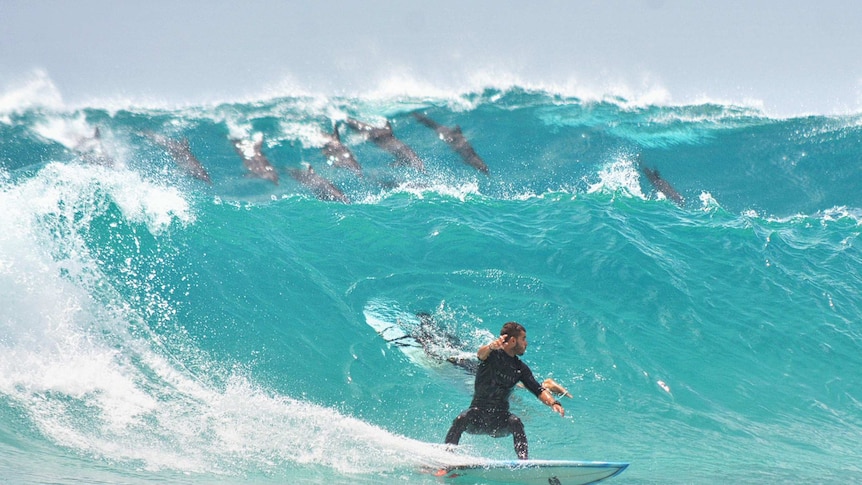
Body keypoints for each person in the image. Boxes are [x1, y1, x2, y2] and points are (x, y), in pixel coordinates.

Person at [444, 322, 565, 460]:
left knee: (515, 422)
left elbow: (537, 389)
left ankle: (523, 462)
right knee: (461, 419)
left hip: (499, 421)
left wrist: (554, 403)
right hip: (477, 416)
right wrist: (490, 347)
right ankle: (446, 459)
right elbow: (480, 355)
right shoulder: (491, 355)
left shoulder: (520, 368)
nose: (526, 343)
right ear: (513, 340)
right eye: (523, 338)